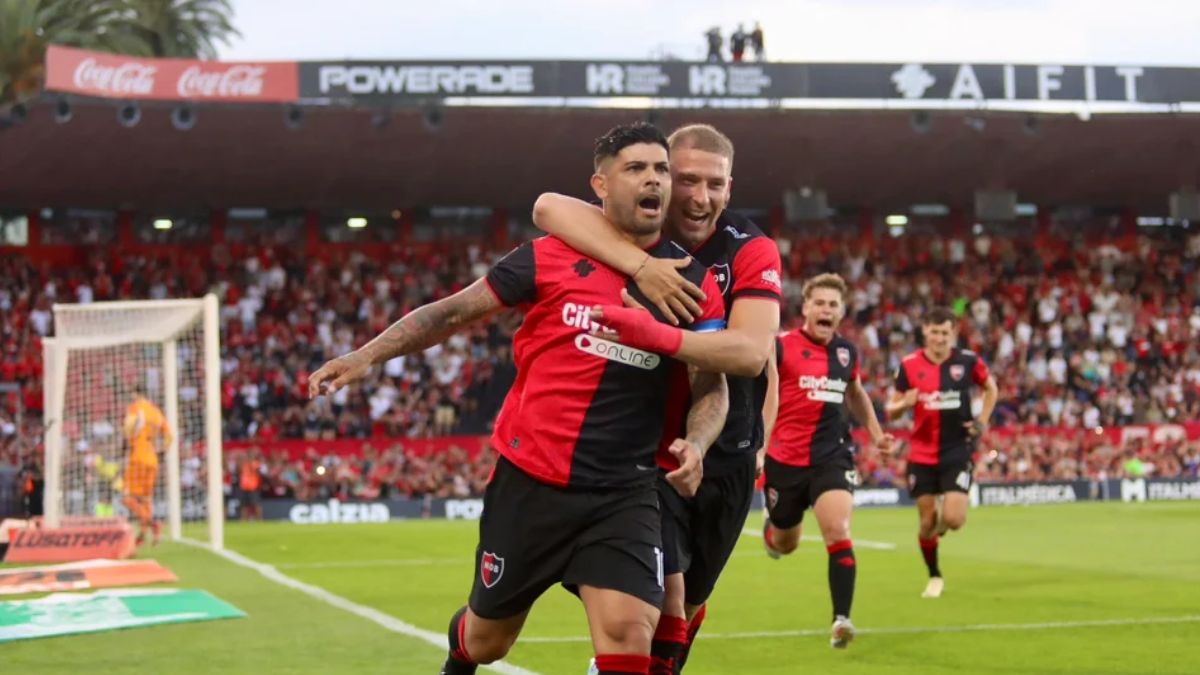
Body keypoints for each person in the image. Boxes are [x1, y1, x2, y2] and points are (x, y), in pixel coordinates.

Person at [310, 122, 729, 675]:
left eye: (660, 170)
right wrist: (368, 355)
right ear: (600, 185)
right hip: (532, 483)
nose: (653, 180)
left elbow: (712, 385)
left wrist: (698, 442)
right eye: (636, 169)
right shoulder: (549, 257)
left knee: (632, 634)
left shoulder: (692, 281)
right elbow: (453, 311)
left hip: (623, 491)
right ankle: (460, 658)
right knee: (489, 641)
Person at [532, 123, 781, 674]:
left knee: (688, 606)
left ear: (730, 188)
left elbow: (752, 355)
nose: (699, 196)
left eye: (714, 184)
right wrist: (643, 266)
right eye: (685, 179)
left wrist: (762, 434)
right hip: (650, 451)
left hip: (729, 455)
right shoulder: (637, 229)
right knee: (660, 600)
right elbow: (548, 208)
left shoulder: (751, 248)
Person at [760, 273, 895, 649]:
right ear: (805, 308)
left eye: (833, 305)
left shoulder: (846, 352)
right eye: (819, 303)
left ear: (841, 312)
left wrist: (877, 432)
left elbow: (855, 393)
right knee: (785, 542)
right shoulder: (781, 347)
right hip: (784, 460)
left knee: (837, 530)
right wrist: (759, 447)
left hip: (832, 457)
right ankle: (773, 530)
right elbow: (767, 399)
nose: (826, 309)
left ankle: (841, 620)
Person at [886, 307, 999, 599]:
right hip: (921, 454)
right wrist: (905, 403)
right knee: (926, 523)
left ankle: (940, 530)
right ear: (925, 331)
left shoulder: (968, 361)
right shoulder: (909, 365)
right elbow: (891, 408)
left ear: (954, 332)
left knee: (954, 519)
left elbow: (991, 388)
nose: (939, 338)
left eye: (945, 332)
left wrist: (982, 421)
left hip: (956, 450)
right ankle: (934, 575)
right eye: (934, 332)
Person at [122, 388, 172, 546]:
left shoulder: (136, 407)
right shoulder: (156, 412)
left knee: (127, 498)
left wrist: (126, 440)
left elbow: (129, 426)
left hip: (138, 457)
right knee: (145, 499)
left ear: (136, 394)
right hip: (152, 458)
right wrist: (160, 450)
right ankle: (143, 535)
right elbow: (169, 437)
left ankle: (152, 523)